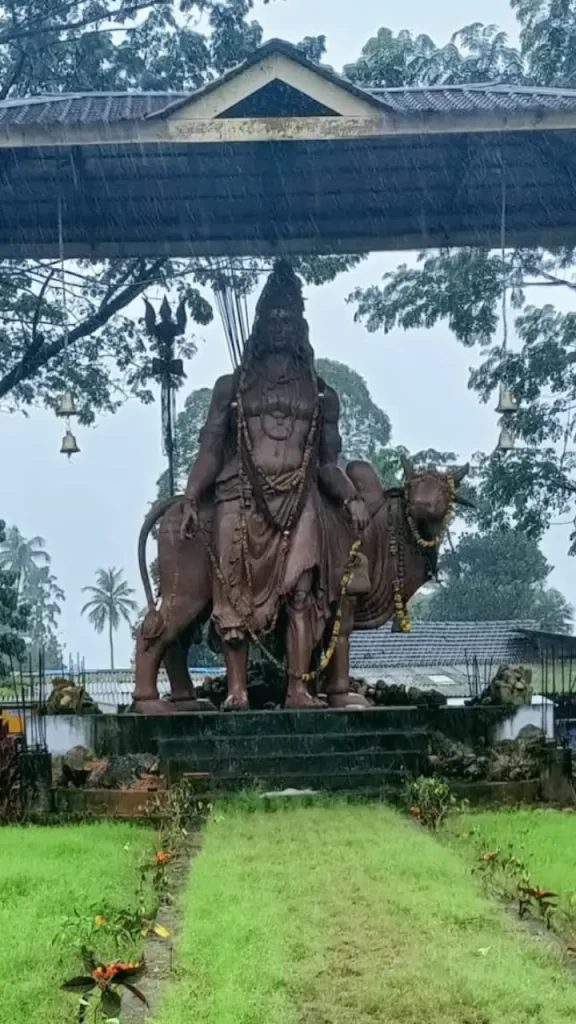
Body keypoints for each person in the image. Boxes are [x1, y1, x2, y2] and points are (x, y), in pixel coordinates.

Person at [180, 260, 368, 709]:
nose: (281, 327)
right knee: (233, 594)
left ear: (301, 326)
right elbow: (209, 449)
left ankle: (298, 688)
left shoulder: (322, 394)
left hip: (299, 499)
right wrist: (191, 495)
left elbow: (327, 463)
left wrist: (351, 495)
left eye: (289, 319)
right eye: (273, 319)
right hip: (239, 496)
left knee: (303, 591)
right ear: (260, 326)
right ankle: (236, 690)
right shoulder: (232, 388)